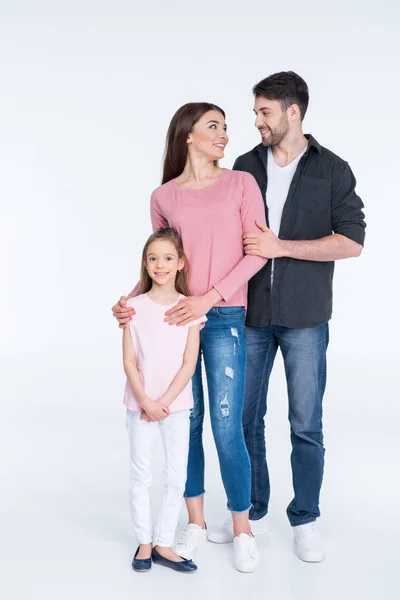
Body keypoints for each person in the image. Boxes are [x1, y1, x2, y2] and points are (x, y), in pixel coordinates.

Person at [207, 71, 366, 563]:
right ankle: (252, 511)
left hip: (305, 318)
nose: (255, 122)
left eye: (264, 112)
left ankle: (306, 517)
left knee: (305, 422)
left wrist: (282, 247)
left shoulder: (332, 169)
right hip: (247, 314)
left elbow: (352, 241)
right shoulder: (244, 165)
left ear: (292, 111)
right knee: (245, 419)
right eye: (255, 112)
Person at [113, 102, 267, 572]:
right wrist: (129, 299)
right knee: (188, 421)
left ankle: (242, 528)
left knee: (226, 424)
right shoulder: (164, 197)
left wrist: (210, 298)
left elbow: (257, 252)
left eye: (225, 127)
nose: (224, 135)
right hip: (174, 319)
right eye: (213, 126)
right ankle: (195, 523)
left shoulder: (241, 183)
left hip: (221, 318)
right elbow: (163, 261)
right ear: (187, 135)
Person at [123, 227, 206, 574]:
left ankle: (164, 543)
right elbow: (129, 360)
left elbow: (190, 362)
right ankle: (144, 541)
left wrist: (164, 402)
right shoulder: (132, 307)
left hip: (176, 406)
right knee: (141, 475)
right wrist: (146, 400)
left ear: (181, 263)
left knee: (176, 477)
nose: (160, 265)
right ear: (145, 263)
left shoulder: (189, 309)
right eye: (153, 258)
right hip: (139, 405)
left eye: (168, 258)